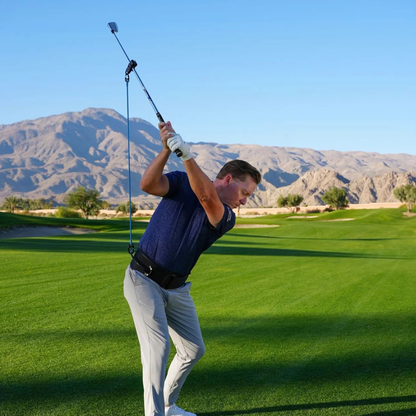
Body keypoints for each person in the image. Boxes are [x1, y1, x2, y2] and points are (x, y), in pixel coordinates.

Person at [124, 121, 261, 416]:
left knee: (193, 349)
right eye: (245, 192)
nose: (245, 201)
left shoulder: (226, 216)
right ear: (227, 179)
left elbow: (206, 198)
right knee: (157, 350)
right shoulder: (181, 181)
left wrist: (186, 155)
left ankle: (168, 405)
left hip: (177, 288)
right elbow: (148, 185)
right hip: (142, 279)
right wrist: (165, 151)